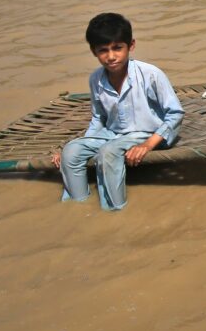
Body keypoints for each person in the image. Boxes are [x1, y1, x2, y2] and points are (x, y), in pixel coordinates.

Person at [53, 12, 184, 210]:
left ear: (131, 46)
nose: (111, 56)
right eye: (103, 50)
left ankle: (115, 210)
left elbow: (175, 114)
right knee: (70, 153)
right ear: (94, 52)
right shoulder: (95, 79)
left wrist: (148, 145)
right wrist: (83, 144)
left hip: (149, 132)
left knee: (109, 152)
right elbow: (99, 118)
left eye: (117, 48)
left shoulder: (150, 74)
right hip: (114, 134)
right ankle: (78, 207)